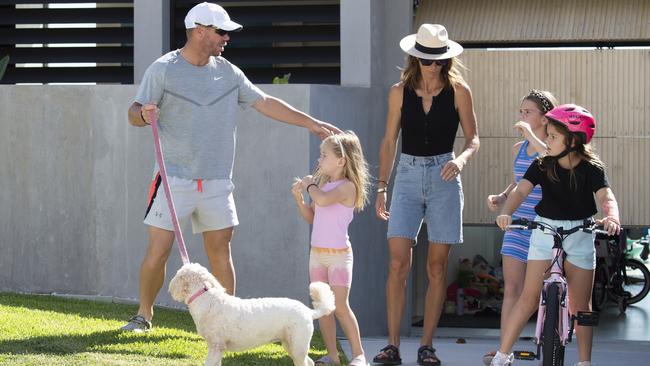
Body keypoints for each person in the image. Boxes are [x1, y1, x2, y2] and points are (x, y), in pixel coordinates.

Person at [121, 1, 340, 332]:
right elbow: (133, 112)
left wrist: (311, 123)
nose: (227, 38)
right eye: (221, 31)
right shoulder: (163, 69)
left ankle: (229, 323)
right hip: (172, 180)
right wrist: (142, 114)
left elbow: (265, 102)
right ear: (199, 31)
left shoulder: (228, 72)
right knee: (159, 252)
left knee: (221, 255)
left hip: (217, 183)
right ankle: (144, 316)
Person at [373, 24, 480, 366]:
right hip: (405, 175)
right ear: (416, 57)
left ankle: (427, 345)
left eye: (440, 60)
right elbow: (389, 141)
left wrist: (461, 161)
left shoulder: (460, 90)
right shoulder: (398, 91)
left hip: (445, 176)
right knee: (397, 262)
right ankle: (392, 345)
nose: (434, 66)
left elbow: (473, 139)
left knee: (436, 267)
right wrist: (381, 186)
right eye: (428, 60)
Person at [491, 104, 621, 366]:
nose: (546, 140)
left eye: (552, 136)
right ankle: (502, 355)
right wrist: (507, 212)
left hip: (580, 233)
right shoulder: (541, 165)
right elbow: (520, 192)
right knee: (528, 298)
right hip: (545, 230)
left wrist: (612, 216)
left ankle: (584, 361)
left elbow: (606, 196)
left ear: (573, 140)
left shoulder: (591, 168)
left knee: (581, 305)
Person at [482, 89, 558, 365]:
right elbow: (519, 182)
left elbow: (547, 157)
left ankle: (549, 343)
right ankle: (505, 349)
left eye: (528, 112)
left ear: (545, 117)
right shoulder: (518, 149)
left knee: (540, 291)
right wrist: (501, 198)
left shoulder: (551, 144)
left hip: (545, 227)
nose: (522, 117)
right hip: (517, 226)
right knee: (512, 289)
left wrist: (529, 133)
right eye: (521, 111)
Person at [291, 132, 370, 366]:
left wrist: (310, 185)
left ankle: (359, 356)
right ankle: (333, 356)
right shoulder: (323, 184)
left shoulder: (347, 187)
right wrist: (299, 199)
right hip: (317, 255)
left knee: (341, 307)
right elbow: (312, 216)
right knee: (323, 309)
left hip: (339, 258)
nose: (319, 160)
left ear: (341, 161)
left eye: (323, 155)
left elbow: (324, 200)